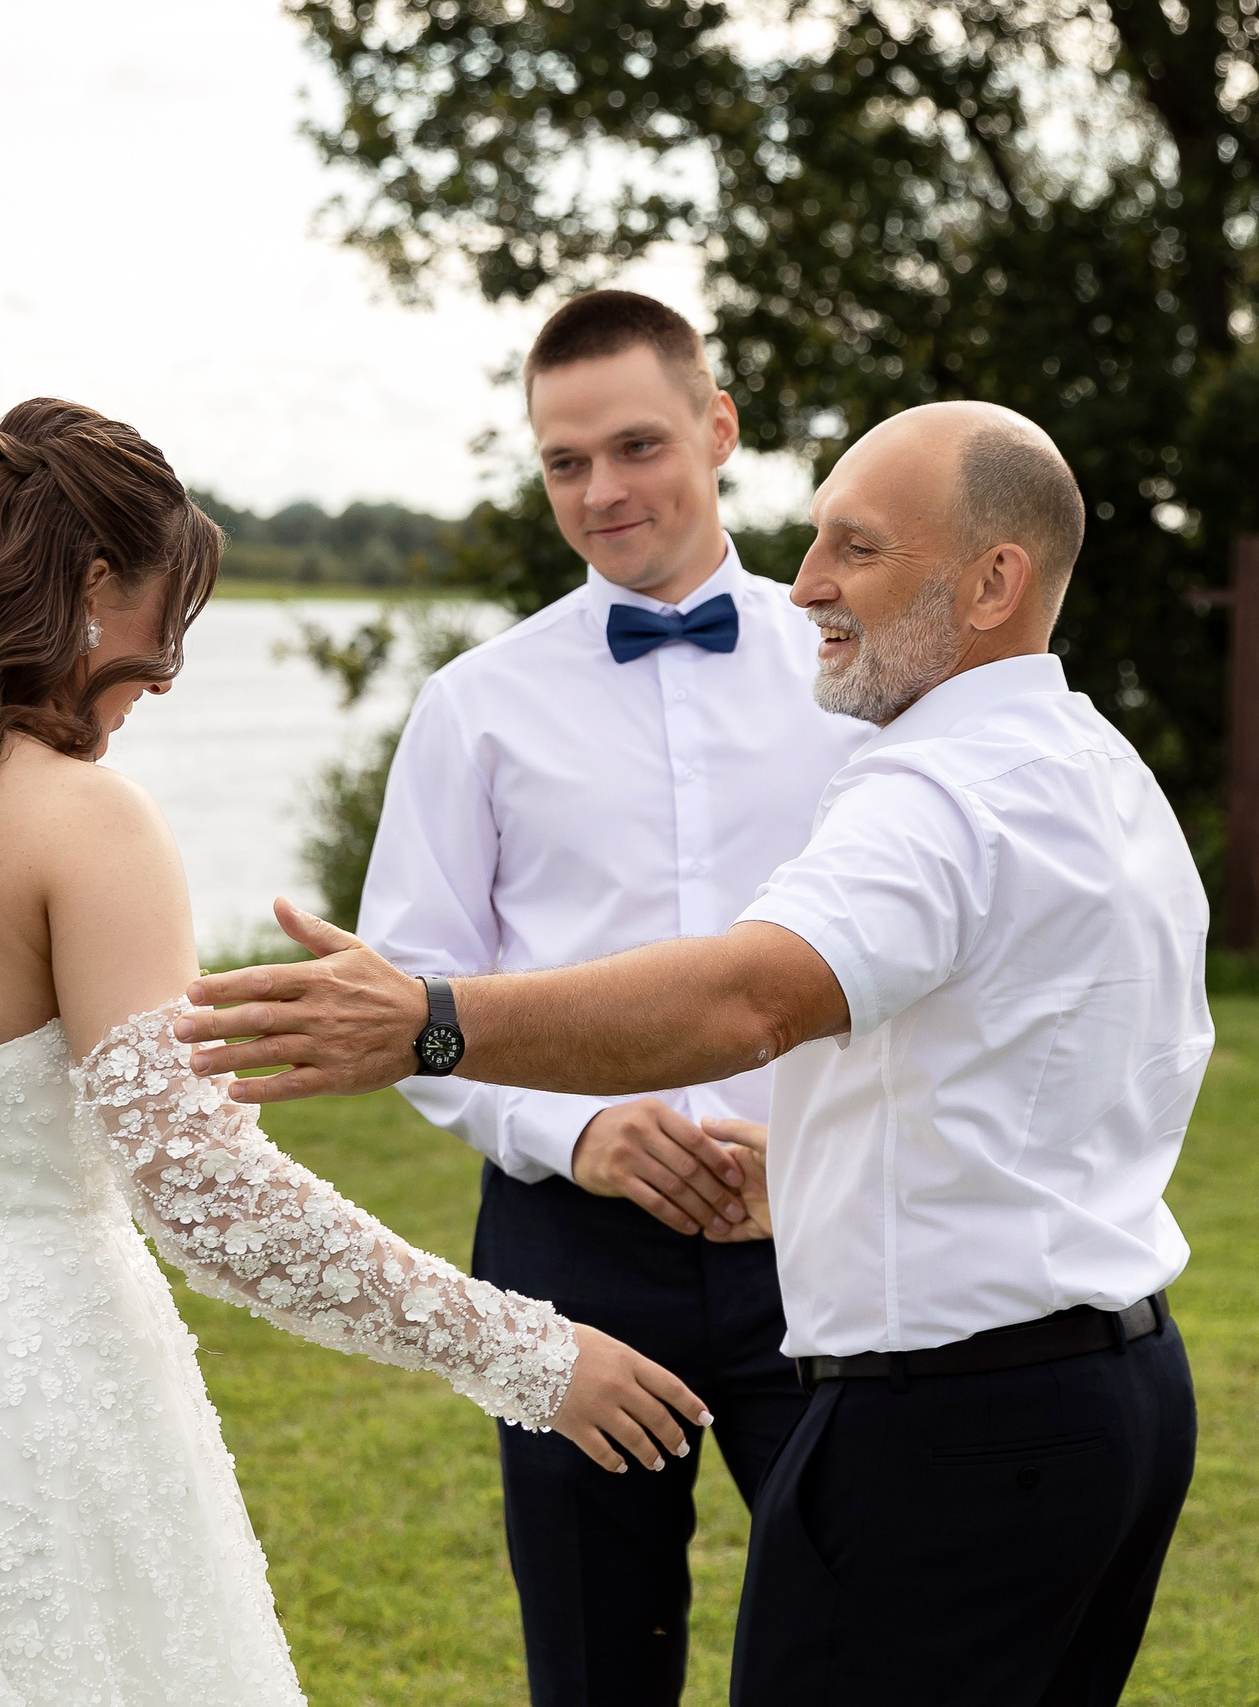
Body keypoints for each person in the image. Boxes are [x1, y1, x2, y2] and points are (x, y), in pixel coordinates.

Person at [0, 398, 709, 1707]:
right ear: (88, 587)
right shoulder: (85, 822)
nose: (165, 676)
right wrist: (528, 1355)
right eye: (162, 625)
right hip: (19, 1417)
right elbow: (206, 1195)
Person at [180, 400, 1212, 1706]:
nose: (810, 582)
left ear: (992, 582)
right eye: (818, 541)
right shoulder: (1096, 763)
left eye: (857, 548)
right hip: (1111, 1392)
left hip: (951, 1426)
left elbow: (746, 1002)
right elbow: (1080, 1049)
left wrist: (432, 1022)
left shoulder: (937, 793)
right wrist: (831, 1168)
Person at [359, 289, 868, 1706]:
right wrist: (572, 1131)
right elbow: (410, 999)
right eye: (565, 462)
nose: (602, 492)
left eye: (637, 446)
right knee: (594, 1664)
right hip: (567, 1252)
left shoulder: (858, 676)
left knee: (863, 1639)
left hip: (820, 1226)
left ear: (720, 429)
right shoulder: (475, 703)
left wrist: (816, 1141)